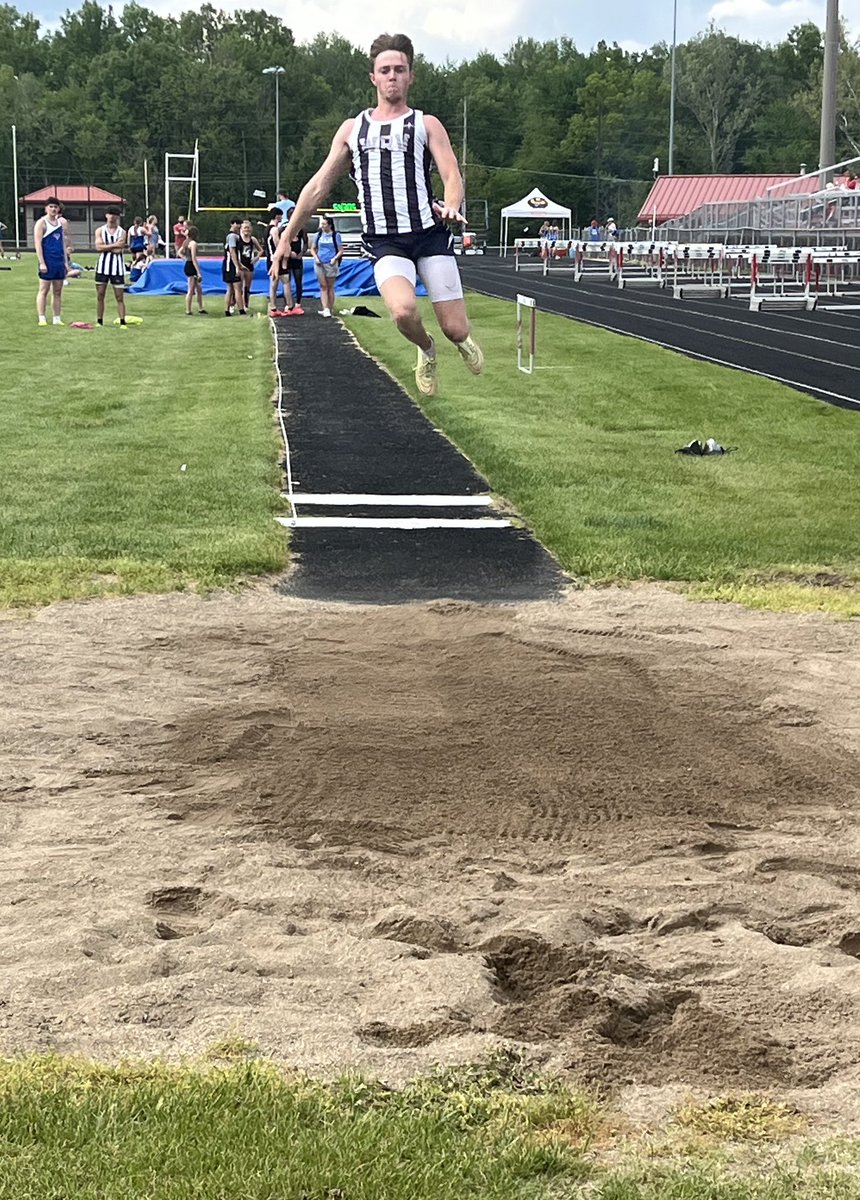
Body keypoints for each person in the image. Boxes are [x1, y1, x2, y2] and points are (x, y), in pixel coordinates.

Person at [272, 31, 483, 396]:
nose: (392, 76)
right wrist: (286, 237)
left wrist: (451, 205)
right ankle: (426, 349)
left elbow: (451, 174)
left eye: (399, 69)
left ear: (411, 75)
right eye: (384, 70)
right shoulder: (353, 130)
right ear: (373, 77)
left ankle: (456, 340)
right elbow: (318, 186)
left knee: (456, 328)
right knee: (402, 312)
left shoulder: (425, 124)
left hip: (430, 235)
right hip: (385, 241)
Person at [34, 195, 69, 326]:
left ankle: (57, 318)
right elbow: (38, 244)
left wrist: (66, 262)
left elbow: (63, 244)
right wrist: (42, 262)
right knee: (44, 290)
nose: (53, 209)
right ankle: (42, 317)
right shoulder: (41, 223)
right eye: (51, 207)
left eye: (55, 207)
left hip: (59, 261)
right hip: (47, 260)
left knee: (58, 291)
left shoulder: (61, 223)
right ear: (46, 209)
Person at [94, 205, 128, 327]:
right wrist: (113, 246)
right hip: (102, 267)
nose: (112, 217)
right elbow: (98, 247)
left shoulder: (122, 232)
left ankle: (122, 321)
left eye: (115, 214)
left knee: (119, 296)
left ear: (118, 217)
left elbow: (119, 250)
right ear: (106, 215)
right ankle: (99, 321)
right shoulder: (100, 230)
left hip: (117, 268)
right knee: (100, 294)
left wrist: (106, 247)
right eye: (110, 214)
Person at [312, 216, 343, 317]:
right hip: (320, 262)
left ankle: (330, 307)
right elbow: (313, 248)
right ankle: (325, 308)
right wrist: (316, 257)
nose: (322, 226)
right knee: (323, 286)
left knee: (330, 286)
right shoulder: (318, 235)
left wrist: (334, 259)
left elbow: (340, 250)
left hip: (331, 263)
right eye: (322, 224)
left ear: (329, 225)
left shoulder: (335, 235)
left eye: (324, 224)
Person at [237, 218, 262, 312]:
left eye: (248, 228)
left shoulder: (252, 239)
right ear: (241, 228)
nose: (246, 230)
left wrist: (256, 258)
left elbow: (261, 250)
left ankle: (246, 304)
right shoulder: (238, 238)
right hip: (240, 264)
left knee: (247, 286)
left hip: (249, 265)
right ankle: (234, 304)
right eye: (245, 228)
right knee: (238, 287)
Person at [221, 216, 245, 316]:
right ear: (232, 224)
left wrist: (240, 265)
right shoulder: (232, 237)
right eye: (237, 224)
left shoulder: (234, 236)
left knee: (230, 289)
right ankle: (241, 310)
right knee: (237, 289)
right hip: (230, 265)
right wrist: (237, 267)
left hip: (229, 265)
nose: (239, 226)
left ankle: (227, 310)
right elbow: (232, 252)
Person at [182, 224, 206, 314]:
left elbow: (180, 252)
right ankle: (188, 310)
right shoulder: (193, 243)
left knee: (198, 289)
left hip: (188, 264)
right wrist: (198, 272)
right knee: (191, 289)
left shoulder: (186, 242)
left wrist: (185, 259)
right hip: (191, 265)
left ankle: (200, 308)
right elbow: (194, 258)